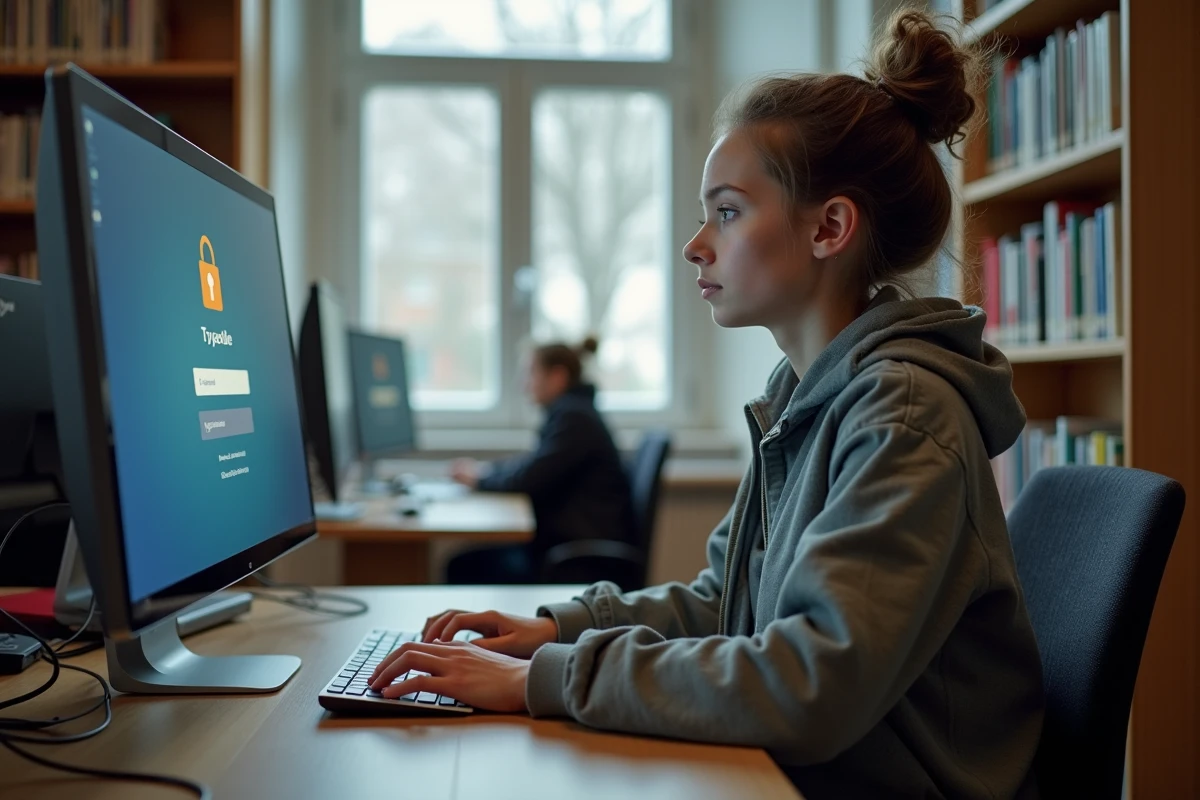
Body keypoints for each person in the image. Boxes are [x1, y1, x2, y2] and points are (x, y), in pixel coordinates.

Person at [369, 9, 1043, 797]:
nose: (696, 243)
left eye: (726, 211)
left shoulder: (903, 415)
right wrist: (553, 632)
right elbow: (725, 602)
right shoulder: (805, 397)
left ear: (829, 227)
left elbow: (809, 684)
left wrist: (540, 680)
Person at [443, 336, 635, 584]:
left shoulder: (574, 418)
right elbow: (534, 464)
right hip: (565, 545)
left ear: (557, 376)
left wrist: (480, 478)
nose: (524, 385)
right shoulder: (573, 412)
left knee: (462, 566)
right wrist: (486, 472)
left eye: (530, 373)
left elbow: (528, 478)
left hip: (574, 557)